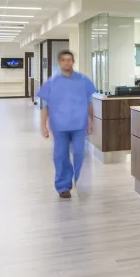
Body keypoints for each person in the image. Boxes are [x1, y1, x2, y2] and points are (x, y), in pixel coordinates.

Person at [38, 50, 97, 199]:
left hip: (79, 124)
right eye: (64, 60)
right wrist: (43, 126)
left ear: (73, 62)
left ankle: (80, 183)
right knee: (61, 155)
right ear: (59, 62)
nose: (67, 62)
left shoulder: (83, 80)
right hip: (59, 125)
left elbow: (89, 103)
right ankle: (63, 186)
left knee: (79, 153)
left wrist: (91, 121)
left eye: (69, 60)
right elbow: (45, 105)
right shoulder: (52, 82)